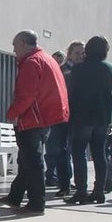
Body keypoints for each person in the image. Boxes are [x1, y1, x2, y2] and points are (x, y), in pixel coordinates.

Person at [0, 30, 68, 215]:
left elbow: (26, 95)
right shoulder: (48, 60)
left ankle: (36, 204)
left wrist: (12, 113)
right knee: (27, 160)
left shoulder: (31, 62)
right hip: (45, 119)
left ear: (23, 44)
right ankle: (15, 196)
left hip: (33, 120)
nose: (13, 50)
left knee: (33, 163)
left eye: (14, 45)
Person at [66, 35, 112, 205]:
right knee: (100, 154)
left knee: (79, 153)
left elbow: (71, 93)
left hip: (82, 117)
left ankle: (81, 191)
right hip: (103, 118)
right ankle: (99, 191)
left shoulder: (79, 69)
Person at [46, 40, 83, 195]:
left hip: (79, 116)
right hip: (63, 115)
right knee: (60, 150)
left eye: (83, 53)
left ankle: (70, 182)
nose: (81, 56)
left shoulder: (85, 70)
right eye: (77, 53)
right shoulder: (63, 70)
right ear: (70, 54)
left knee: (74, 151)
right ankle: (64, 184)